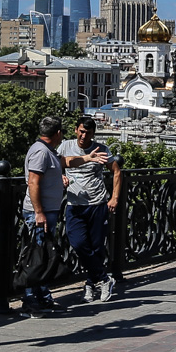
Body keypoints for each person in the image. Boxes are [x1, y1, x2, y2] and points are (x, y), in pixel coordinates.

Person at [59, 118, 122, 304]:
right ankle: (104, 279)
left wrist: (115, 197)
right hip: (74, 204)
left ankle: (89, 284)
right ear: (75, 130)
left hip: (97, 204)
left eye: (87, 133)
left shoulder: (102, 149)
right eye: (80, 131)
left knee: (96, 247)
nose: (83, 136)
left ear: (93, 133)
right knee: (78, 243)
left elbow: (116, 171)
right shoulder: (65, 146)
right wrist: (61, 176)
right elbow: (57, 164)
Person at [21, 117, 68, 310]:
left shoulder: (47, 151)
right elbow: (33, 182)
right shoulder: (41, 151)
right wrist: (39, 212)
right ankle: (31, 298)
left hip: (47, 211)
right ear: (57, 133)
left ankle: (42, 296)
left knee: (44, 255)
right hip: (39, 212)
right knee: (37, 256)